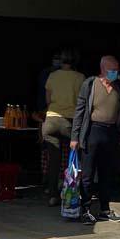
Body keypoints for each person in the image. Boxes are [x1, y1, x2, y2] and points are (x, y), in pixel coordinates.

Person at [70, 55, 120, 224]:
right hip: (93, 131)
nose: (115, 73)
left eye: (116, 70)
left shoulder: (119, 87)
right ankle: (85, 209)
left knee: (106, 174)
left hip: (110, 133)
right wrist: (75, 137)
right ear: (103, 69)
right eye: (112, 70)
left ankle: (104, 209)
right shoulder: (90, 84)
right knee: (87, 174)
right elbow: (80, 111)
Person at [41, 49, 84, 206]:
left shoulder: (52, 76)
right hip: (69, 121)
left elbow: (47, 99)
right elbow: (82, 102)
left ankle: (53, 195)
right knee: (75, 160)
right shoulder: (80, 77)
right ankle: (73, 193)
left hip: (51, 120)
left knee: (54, 160)